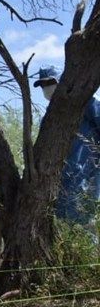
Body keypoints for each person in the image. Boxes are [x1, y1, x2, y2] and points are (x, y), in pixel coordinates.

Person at [33, 65, 100, 227]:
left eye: (50, 82)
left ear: (62, 81)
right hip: (60, 182)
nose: (46, 87)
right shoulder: (49, 118)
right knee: (62, 227)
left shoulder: (85, 102)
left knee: (83, 226)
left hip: (86, 176)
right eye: (42, 85)